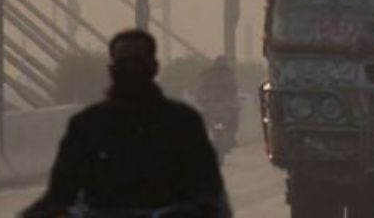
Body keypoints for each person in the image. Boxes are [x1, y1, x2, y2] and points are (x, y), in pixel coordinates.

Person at [22, 30, 231, 218]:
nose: (131, 70)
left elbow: (209, 191)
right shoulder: (87, 126)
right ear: (112, 69)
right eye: (124, 64)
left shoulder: (183, 123)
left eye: (137, 63)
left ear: (153, 68)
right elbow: (61, 193)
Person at [197, 55, 241, 149]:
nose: (221, 69)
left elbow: (234, 89)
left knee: (234, 118)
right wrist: (202, 98)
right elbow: (201, 89)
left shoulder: (229, 74)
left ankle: (231, 138)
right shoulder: (208, 74)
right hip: (212, 104)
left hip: (224, 104)